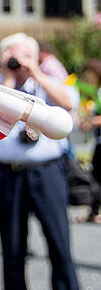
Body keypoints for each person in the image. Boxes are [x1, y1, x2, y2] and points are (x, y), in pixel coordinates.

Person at [0, 32, 80, 290]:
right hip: (7, 175)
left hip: (47, 173)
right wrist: (7, 74)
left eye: (25, 55)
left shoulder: (48, 84)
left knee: (59, 243)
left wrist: (36, 72)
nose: (19, 61)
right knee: (12, 248)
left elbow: (67, 103)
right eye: (13, 55)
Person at [79, 58, 101, 224]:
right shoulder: (96, 91)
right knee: (94, 175)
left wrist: (92, 121)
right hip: (98, 140)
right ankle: (93, 211)